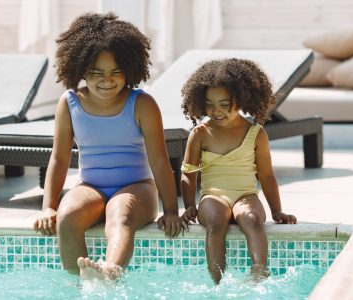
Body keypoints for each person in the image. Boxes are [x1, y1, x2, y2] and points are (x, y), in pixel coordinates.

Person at [32, 12, 182, 281]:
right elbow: (59, 158)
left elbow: (160, 161)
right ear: (80, 71)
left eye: (116, 72)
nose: (107, 80)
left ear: (129, 69)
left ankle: (110, 273)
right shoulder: (69, 103)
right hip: (90, 187)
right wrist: (49, 207)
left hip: (137, 188)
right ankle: (81, 284)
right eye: (96, 73)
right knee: (67, 217)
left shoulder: (142, 104)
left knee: (119, 215)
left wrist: (171, 210)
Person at [179, 58, 298, 284]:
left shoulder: (256, 133)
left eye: (225, 104)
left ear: (242, 99)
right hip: (213, 196)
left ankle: (259, 271)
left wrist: (277, 211)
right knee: (216, 221)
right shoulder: (200, 133)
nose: (217, 111)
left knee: (252, 219)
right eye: (209, 104)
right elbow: (189, 172)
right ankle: (218, 281)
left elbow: (266, 176)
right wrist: (189, 206)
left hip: (246, 195)